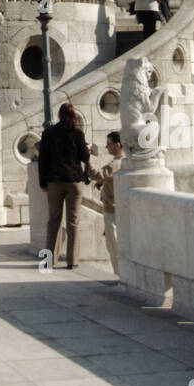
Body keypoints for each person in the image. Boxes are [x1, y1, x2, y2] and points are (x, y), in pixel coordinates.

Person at [37, 102, 91, 269]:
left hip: (54, 180)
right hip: (73, 180)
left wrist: (43, 182)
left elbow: (43, 160)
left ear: (59, 115)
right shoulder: (78, 133)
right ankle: (72, 261)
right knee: (73, 222)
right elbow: (84, 156)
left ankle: (49, 261)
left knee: (54, 221)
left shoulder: (49, 133)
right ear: (74, 116)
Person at [93, 131, 123, 273]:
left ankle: (120, 274)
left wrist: (87, 157)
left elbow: (97, 173)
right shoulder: (124, 161)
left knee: (113, 244)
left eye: (109, 144)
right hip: (117, 208)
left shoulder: (115, 164)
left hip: (112, 209)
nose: (106, 147)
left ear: (118, 145)